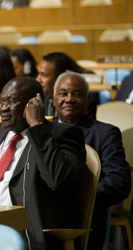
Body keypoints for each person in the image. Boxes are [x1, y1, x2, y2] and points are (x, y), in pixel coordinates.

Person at [0, 77, 86, 249]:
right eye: (1, 102)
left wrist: (38, 127)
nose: (3, 109)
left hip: (20, 230)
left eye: (11, 101)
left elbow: (58, 180)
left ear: (34, 103)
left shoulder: (62, 134)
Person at [53, 71, 131, 250]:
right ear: (54, 99)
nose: (70, 99)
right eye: (63, 93)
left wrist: (79, 198)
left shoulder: (105, 133)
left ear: (88, 101)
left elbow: (118, 182)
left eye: (78, 94)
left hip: (85, 217)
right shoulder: (41, 133)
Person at [36, 52, 97, 118]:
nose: (38, 80)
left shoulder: (84, 103)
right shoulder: (41, 99)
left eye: (44, 75)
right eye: (38, 74)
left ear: (61, 77)